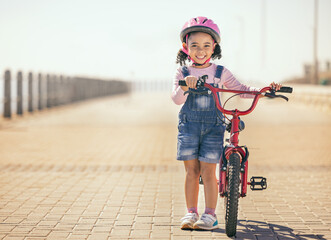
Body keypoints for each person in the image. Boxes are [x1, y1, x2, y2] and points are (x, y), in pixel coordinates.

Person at [171, 16, 281, 231]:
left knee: (208, 172)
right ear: (186, 47)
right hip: (189, 127)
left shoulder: (220, 72)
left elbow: (241, 89)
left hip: (213, 126)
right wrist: (186, 86)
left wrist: (264, 91)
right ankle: (191, 212)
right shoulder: (183, 72)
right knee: (192, 171)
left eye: (206, 45)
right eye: (194, 45)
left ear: (214, 47)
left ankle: (210, 215)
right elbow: (176, 99)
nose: (200, 50)